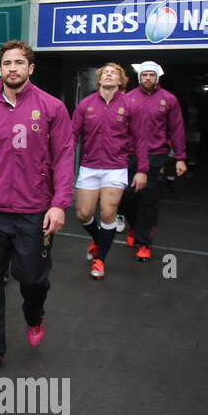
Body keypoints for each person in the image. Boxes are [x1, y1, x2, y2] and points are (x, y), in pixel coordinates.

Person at [0, 41, 74, 371]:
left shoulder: (52, 108)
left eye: (19, 63)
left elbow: (65, 158)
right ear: (0, 70)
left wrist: (59, 204)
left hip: (34, 211)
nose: (13, 68)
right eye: (7, 63)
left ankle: (34, 316)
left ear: (30, 68)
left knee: (33, 279)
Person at [73, 63, 147, 280]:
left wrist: (142, 169)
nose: (108, 75)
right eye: (105, 72)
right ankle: (99, 240)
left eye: (113, 73)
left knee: (108, 212)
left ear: (120, 81)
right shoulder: (85, 105)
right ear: (99, 79)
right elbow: (71, 135)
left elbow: (141, 139)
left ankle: (100, 260)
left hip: (116, 168)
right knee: (83, 214)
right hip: (89, 166)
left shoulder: (131, 105)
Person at [119, 61, 187, 261]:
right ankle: (133, 227)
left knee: (148, 199)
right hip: (129, 155)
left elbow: (177, 129)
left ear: (158, 77)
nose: (148, 78)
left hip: (155, 155)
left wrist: (180, 157)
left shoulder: (169, 100)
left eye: (151, 75)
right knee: (127, 196)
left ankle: (144, 243)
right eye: (144, 75)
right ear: (139, 77)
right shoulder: (128, 99)